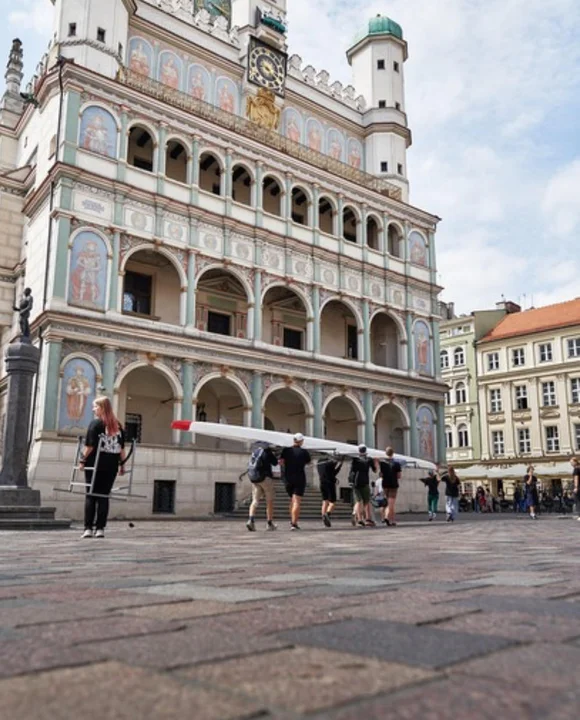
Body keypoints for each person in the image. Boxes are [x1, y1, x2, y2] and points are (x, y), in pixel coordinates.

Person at [79, 397, 126, 539]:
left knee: (91, 495)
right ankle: (100, 529)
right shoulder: (118, 426)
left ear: (101, 408)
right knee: (104, 496)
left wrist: (82, 460)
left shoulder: (95, 424)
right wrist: (122, 465)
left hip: (94, 464)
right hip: (111, 466)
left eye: (95, 407)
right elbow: (121, 449)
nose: (93, 409)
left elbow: (90, 446)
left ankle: (88, 528)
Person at [280, 433, 311, 530]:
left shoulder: (286, 450)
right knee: (296, 501)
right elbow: (308, 462)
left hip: (288, 478)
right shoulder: (304, 452)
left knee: (292, 500)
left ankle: (292, 520)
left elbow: (281, 462)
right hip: (299, 478)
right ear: (301, 441)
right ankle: (294, 523)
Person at [246, 442, 279, 532]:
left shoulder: (255, 451)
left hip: (255, 479)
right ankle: (269, 523)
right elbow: (275, 463)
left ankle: (251, 520)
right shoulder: (267, 452)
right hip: (265, 479)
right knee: (269, 501)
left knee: (255, 500)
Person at [349, 445, 377, 527]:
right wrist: (376, 463)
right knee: (366, 502)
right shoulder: (369, 459)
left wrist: (350, 481)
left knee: (359, 501)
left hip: (355, 482)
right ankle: (367, 518)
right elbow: (375, 470)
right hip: (365, 482)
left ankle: (359, 518)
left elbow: (351, 471)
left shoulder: (355, 459)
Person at [378, 447, 402, 526]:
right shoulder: (397, 463)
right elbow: (399, 476)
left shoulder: (382, 463)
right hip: (393, 485)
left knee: (386, 503)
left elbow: (380, 474)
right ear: (393, 453)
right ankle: (387, 517)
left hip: (385, 484)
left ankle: (391, 520)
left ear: (386, 453)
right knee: (391, 504)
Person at [317, 455, 342, 528]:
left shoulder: (319, 462)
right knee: (332, 502)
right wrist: (339, 466)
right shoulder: (330, 462)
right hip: (330, 483)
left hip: (322, 483)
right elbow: (333, 473)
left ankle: (323, 518)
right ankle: (327, 514)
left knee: (325, 501)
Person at [570, 457, 580, 521]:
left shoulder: (576, 469)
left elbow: (576, 478)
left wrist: (576, 487)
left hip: (579, 487)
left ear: (575, 462)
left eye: (571, 462)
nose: (571, 464)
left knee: (578, 501)